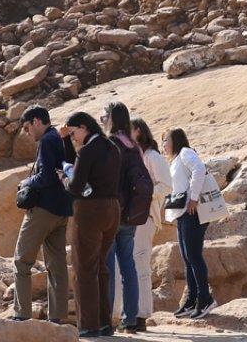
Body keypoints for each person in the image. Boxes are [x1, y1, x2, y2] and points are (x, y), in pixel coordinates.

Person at [11, 106, 73, 324]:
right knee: (56, 266)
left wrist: (25, 182)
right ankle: (57, 318)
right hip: (62, 210)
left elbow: (46, 177)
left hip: (43, 209)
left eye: (27, 128)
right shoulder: (60, 137)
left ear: (37, 121)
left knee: (21, 262)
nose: (27, 133)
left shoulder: (47, 140)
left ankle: (22, 315)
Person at [64, 111, 122, 337]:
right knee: (100, 267)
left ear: (83, 127)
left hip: (90, 211)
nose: (73, 138)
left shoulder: (88, 151)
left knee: (84, 269)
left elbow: (76, 185)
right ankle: (105, 323)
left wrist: (63, 179)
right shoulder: (112, 148)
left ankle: (88, 327)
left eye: (73, 133)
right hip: (113, 208)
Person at [121, 117, 171, 332]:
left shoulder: (152, 156)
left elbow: (166, 185)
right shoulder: (132, 156)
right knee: (129, 265)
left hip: (145, 215)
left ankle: (141, 314)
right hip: (130, 217)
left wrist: (144, 196)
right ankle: (129, 313)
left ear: (138, 131)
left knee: (140, 263)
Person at [102, 102, 147, 333]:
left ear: (111, 118)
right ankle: (131, 319)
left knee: (108, 267)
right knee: (128, 266)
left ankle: (106, 319)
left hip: (112, 212)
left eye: (104, 116)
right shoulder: (135, 146)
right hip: (131, 213)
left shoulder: (110, 144)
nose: (102, 119)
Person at [164, 128, 218, 319]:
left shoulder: (186, 152)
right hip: (183, 213)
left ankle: (205, 299)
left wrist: (193, 198)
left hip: (193, 212)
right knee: (187, 259)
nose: (163, 145)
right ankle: (192, 299)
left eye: (166, 140)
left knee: (194, 256)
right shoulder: (176, 159)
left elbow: (199, 170)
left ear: (176, 140)